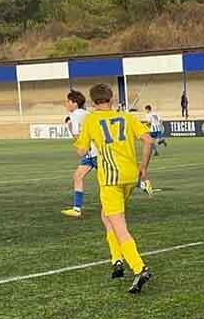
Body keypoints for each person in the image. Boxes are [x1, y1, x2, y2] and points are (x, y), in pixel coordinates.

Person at [72, 83, 154, 294]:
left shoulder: (91, 120)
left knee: (118, 224)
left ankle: (139, 267)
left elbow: (81, 152)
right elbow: (148, 140)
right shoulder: (127, 117)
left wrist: (80, 138)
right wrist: (143, 167)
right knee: (106, 215)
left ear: (92, 101)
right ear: (112, 98)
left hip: (110, 178)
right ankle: (116, 260)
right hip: (130, 175)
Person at [61, 90, 96, 218]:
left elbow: (77, 136)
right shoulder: (87, 113)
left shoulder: (75, 115)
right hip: (93, 151)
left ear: (74, 103)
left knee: (114, 177)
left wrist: (69, 128)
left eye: (68, 101)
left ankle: (141, 183)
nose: (66, 104)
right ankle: (77, 209)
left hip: (93, 152)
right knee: (77, 176)